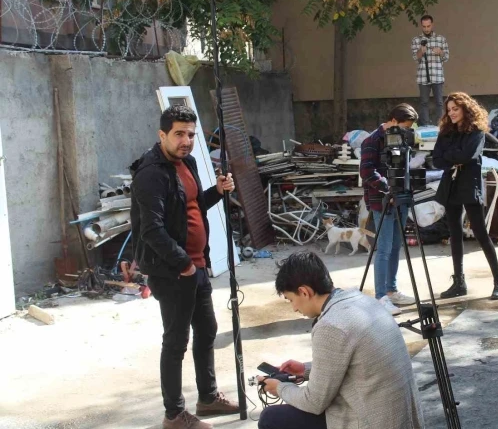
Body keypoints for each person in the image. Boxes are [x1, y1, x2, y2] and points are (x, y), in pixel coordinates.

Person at [130, 105, 239, 429]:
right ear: (162, 134)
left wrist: (217, 192)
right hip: (173, 271)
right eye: (179, 134)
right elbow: (151, 230)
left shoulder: (187, 163)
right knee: (176, 342)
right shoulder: (150, 174)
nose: (186, 141)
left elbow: (192, 205)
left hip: (197, 265)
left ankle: (207, 398)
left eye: (191, 134)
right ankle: (174, 415)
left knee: (207, 330)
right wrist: (185, 265)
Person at [257, 251, 424, 429]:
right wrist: (305, 370)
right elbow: (357, 364)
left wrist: (280, 388)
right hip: (402, 419)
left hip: (371, 422)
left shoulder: (331, 326)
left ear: (304, 292)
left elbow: (314, 402)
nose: (294, 308)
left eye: (291, 300)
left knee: (271, 418)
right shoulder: (365, 301)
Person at [432, 92, 498, 300]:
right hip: (451, 184)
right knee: (454, 234)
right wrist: (454, 157)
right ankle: (459, 282)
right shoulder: (446, 132)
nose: (451, 113)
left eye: (455, 109)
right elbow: (436, 159)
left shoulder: (477, 132)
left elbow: (467, 155)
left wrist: (450, 156)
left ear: (466, 109)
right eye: (449, 110)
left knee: (480, 233)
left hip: (469, 184)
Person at [360, 104, 419, 315]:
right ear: (393, 120)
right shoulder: (372, 141)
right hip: (382, 201)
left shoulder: (402, 139)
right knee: (384, 249)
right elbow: (366, 171)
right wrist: (387, 188)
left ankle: (391, 290)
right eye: (404, 126)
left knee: (395, 247)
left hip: (400, 200)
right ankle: (380, 296)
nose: (406, 131)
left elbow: (403, 167)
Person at [411, 14, 449, 125]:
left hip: (437, 75)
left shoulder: (441, 39)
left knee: (439, 102)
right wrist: (421, 51)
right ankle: (426, 125)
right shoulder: (416, 40)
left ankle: (440, 125)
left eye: (428, 26)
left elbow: (446, 57)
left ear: (432, 25)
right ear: (421, 26)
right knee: (424, 103)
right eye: (424, 26)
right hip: (423, 76)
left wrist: (440, 52)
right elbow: (415, 58)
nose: (426, 29)